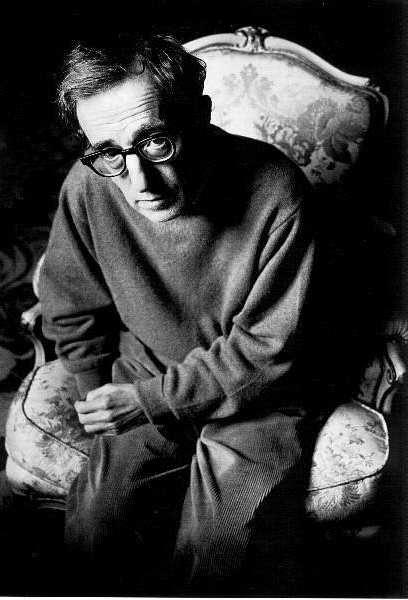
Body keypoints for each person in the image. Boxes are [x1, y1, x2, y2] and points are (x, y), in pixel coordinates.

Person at [39, 33, 345, 595]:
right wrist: (98, 394)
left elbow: (268, 351)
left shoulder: (278, 191)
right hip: (147, 370)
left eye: (155, 141)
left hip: (262, 396)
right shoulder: (89, 185)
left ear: (199, 116)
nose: (139, 182)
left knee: (219, 549)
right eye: (109, 152)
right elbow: (71, 304)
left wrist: (153, 400)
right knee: (97, 529)